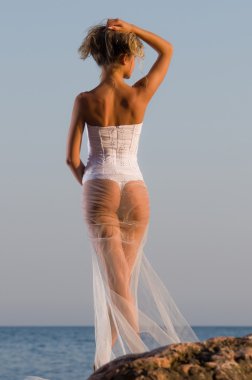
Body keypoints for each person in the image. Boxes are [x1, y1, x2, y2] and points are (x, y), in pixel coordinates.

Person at [66, 18, 199, 372]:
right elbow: (168, 49)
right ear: (126, 55)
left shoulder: (85, 100)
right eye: (134, 55)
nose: (137, 63)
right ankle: (104, 360)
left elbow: (70, 158)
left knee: (117, 281)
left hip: (99, 188)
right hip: (136, 190)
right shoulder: (139, 93)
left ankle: (137, 359)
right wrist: (134, 29)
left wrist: (91, 185)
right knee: (122, 281)